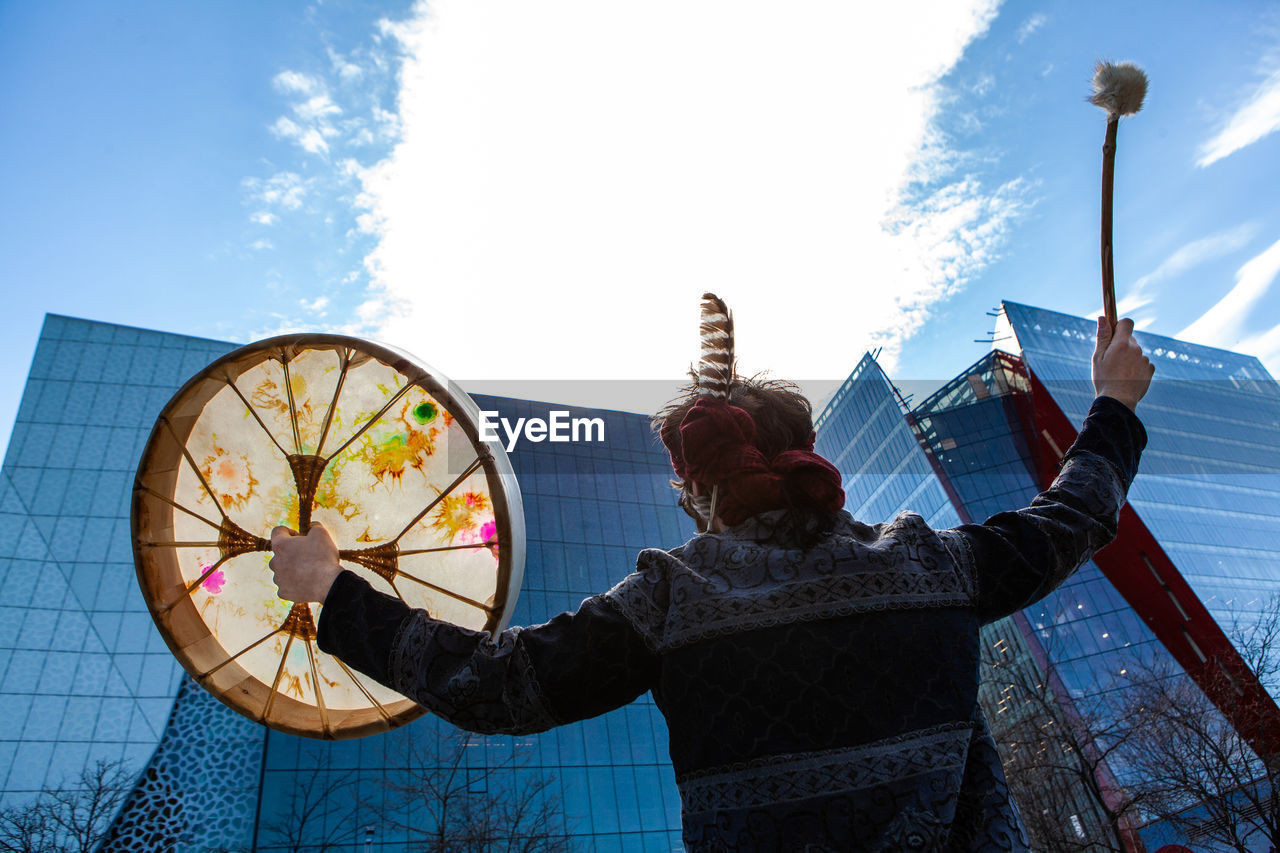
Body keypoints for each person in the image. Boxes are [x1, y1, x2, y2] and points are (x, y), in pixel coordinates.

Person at [270, 314, 1155, 852]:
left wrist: (333, 591)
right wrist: (1113, 403)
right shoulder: (932, 562)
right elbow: (1072, 516)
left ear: (700, 491)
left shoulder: (672, 597)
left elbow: (499, 685)